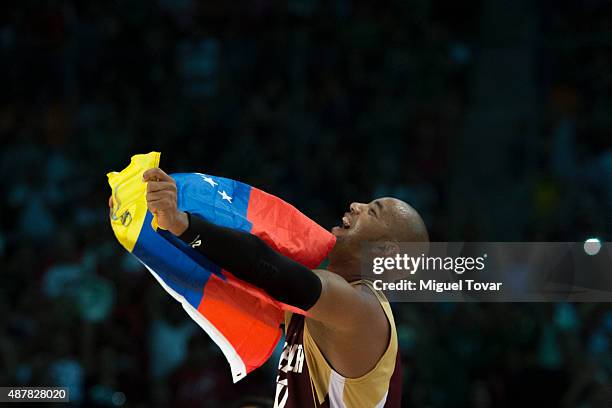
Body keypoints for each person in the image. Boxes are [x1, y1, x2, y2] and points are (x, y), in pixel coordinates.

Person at [121, 167, 429, 407]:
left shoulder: (365, 310)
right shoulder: (322, 306)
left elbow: (268, 268)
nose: (356, 204)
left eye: (372, 210)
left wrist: (182, 224)